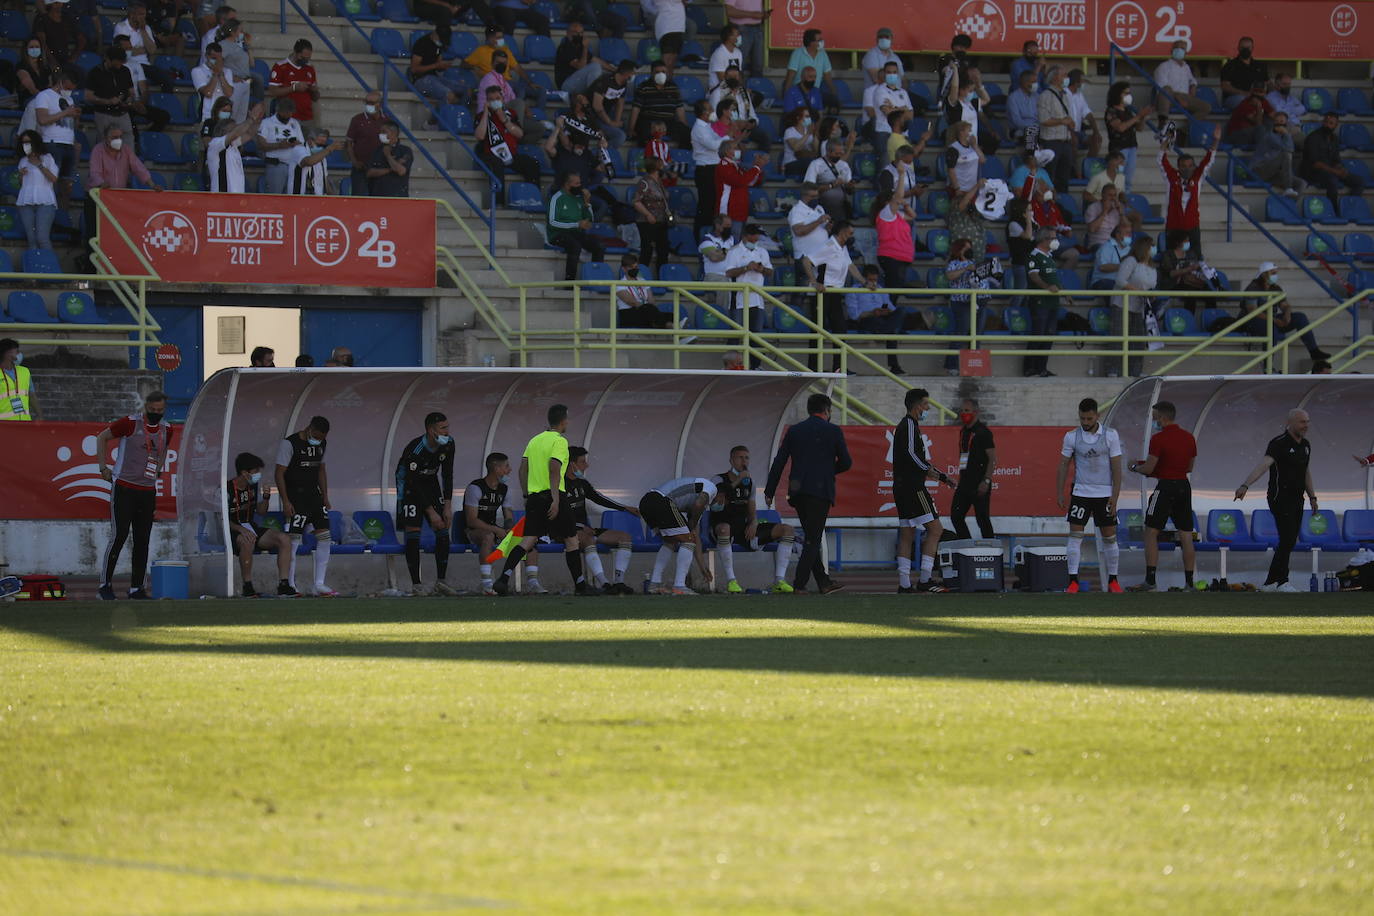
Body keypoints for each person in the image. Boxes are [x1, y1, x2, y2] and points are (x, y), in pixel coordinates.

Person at [492, 404, 593, 596]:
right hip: (555, 496)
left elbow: (523, 469)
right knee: (572, 541)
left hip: (535, 497)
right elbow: (554, 469)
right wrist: (555, 500)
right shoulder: (560, 441)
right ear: (564, 421)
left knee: (528, 540)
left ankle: (503, 579)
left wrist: (525, 496)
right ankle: (580, 586)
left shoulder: (534, 440)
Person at [764, 393, 850, 594]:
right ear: (827, 410)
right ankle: (800, 584)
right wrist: (827, 472)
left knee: (811, 535)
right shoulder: (833, 430)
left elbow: (780, 461)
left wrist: (770, 490)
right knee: (813, 538)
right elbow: (846, 462)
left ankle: (823, 581)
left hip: (798, 492)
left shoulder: (795, 431)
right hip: (820, 491)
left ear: (809, 410)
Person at [96, 391, 172, 601]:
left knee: (142, 540)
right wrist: (103, 468)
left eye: (160, 410)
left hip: (147, 491)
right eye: (153, 410)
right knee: (119, 536)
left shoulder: (167, 428)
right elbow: (102, 437)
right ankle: (105, 585)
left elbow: (163, 449)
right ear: (146, 407)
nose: (156, 413)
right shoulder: (130, 423)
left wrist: (157, 468)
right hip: (124, 488)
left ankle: (136, 588)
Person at [1234, 408, 1318, 591]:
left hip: (1298, 498)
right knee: (1287, 538)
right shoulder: (1278, 443)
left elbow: (1306, 472)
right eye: (1302, 422)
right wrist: (1245, 485)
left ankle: (1272, 581)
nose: (1306, 426)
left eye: (1307, 422)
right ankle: (1281, 581)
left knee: (1290, 540)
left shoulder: (1306, 445)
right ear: (1291, 423)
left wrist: (1312, 496)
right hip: (1279, 497)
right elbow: (1263, 465)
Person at [1126, 400, 1198, 591]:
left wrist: (1134, 467)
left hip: (1165, 488)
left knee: (1151, 531)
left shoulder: (1158, 439)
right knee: (1186, 534)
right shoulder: (1189, 438)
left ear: (1163, 418)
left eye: (1156, 418)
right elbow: (1189, 467)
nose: (1155, 422)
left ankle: (1150, 580)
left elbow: (1149, 467)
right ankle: (1189, 583)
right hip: (1184, 486)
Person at [1056, 397, 1124, 594]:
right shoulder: (1071, 437)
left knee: (1109, 538)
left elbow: (1117, 468)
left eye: (1088, 418)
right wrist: (1060, 492)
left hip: (1104, 494)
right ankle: (1073, 582)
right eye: (1082, 418)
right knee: (1075, 536)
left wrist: (1115, 495)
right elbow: (1063, 465)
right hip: (1081, 493)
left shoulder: (1111, 435)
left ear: (1097, 416)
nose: (1085, 422)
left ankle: (1113, 581)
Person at [709, 445, 796, 593]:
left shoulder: (750, 482)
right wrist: (738, 480)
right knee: (725, 528)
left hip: (744, 528)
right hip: (722, 525)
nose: (744, 461)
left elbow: (751, 505)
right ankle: (732, 581)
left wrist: (754, 522)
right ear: (731, 460)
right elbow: (718, 501)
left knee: (787, 530)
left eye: (747, 458)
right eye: (740, 457)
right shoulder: (718, 479)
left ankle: (779, 581)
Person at [892, 388, 953, 593]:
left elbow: (914, 458)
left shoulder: (908, 426)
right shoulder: (909, 425)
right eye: (926, 404)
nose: (928, 408)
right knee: (936, 529)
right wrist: (935, 473)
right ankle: (925, 579)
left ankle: (904, 583)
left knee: (907, 534)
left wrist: (939, 475)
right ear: (918, 406)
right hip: (913, 487)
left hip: (901, 487)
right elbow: (912, 455)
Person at [394, 412, 458, 596]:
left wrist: (447, 505)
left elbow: (447, 474)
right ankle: (416, 584)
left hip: (431, 483)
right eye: (443, 428)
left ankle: (441, 581)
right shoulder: (415, 450)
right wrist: (431, 512)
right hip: (409, 486)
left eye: (448, 427)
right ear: (431, 430)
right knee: (413, 531)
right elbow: (412, 482)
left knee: (443, 528)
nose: (447, 431)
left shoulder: (449, 444)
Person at [274, 415, 336, 597]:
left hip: (314, 497)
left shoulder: (322, 444)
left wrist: (325, 495)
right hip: (295, 497)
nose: (318, 441)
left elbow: (321, 470)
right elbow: (279, 473)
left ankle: (319, 584)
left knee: (325, 536)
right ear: (309, 429)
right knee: (293, 540)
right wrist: (285, 500)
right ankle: (290, 584)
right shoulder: (289, 444)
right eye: (316, 436)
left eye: (322, 438)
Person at [562, 446, 638, 594]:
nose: (586, 466)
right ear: (572, 464)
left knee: (625, 538)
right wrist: (579, 525)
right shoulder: (560, 485)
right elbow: (560, 513)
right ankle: (605, 584)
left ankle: (619, 582)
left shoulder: (582, 483)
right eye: (583, 462)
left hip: (585, 530)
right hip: (566, 530)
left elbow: (599, 498)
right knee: (588, 539)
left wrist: (624, 507)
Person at [803, 219, 868, 372]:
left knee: (840, 330)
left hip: (836, 293)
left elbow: (851, 266)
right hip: (823, 293)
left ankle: (838, 367)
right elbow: (806, 261)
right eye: (850, 233)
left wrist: (864, 282)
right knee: (817, 331)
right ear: (842, 232)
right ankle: (812, 368)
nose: (852, 236)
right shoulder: (828, 246)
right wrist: (814, 282)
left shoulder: (842, 247)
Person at [226, 452, 294, 598]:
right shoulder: (226, 489)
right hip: (231, 529)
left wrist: (266, 497)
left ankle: (284, 585)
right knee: (247, 540)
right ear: (244, 473)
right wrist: (240, 529)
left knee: (284, 539)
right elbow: (222, 519)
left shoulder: (253, 486)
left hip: (250, 527)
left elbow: (261, 512)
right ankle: (247, 586)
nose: (258, 475)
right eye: (256, 471)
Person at [639, 476, 716, 594]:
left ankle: (654, 583)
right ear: (722, 496)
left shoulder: (693, 505)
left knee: (671, 541)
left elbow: (696, 536)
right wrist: (691, 529)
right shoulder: (712, 488)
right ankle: (679, 585)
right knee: (688, 540)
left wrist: (702, 566)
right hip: (662, 501)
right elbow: (699, 504)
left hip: (646, 503)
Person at [1242, 262, 1330, 361]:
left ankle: (1314, 351)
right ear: (1263, 274)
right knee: (1272, 330)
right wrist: (1275, 320)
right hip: (1253, 322)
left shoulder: (1276, 288)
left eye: (1276, 273)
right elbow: (1252, 310)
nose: (1275, 276)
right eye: (1272, 273)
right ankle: (1268, 366)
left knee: (1300, 317)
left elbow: (1285, 305)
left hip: (1271, 319)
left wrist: (1287, 314)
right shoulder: (1253, 288)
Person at [1159, 126, 1218, 258]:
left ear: (1194, 166)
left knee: (1196, 260)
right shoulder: (1171, 177)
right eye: (1183, 166)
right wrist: (1167, 140)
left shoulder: (1198, 178)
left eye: (1190, 166)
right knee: (1172, 261)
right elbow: (1161, 160)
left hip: (1192, 228)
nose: (1187, 169)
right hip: (1174, 227)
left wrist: (1215, 141)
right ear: (1178, 167)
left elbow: (1209, 160)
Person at [464, 451, 515, 595]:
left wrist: (510, 529)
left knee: (527, 541)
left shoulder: (504, 489)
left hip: (493, 529)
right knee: (488, 537)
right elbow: (471, 520)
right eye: (506, 466)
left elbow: (508, 516)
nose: (509, 470)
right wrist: (495, 530)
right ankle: (487, 584)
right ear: (496, 468)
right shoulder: (475, 488)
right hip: (473, 531)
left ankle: (532, 582)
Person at [33, 68, 81, 210]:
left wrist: (75, 116)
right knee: (50, 184)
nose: (69, 91)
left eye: (72, 89)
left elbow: (71, 125)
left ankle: (63, 217)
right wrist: (65, 112)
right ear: (61, 82)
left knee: (67, 186)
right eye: (67, 87)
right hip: (52, 144)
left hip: (68, 144)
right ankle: (49, 216)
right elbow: (42, 120)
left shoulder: (69, 99)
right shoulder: (44, 96)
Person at [475, 84, 540, 186]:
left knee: (531, 163)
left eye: (497, 98)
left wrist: (504, 120)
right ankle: (498, 201)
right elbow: (479, 136)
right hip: (491, 154)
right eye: (491, 99)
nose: (494, 101)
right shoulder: (480, 116)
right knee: (496, 163)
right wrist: (486, 113)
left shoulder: (511, 113)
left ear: (502, 99)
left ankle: (532, 196)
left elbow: (519, 134)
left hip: (510, 154)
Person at [845, 262, 904, 374]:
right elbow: (854, 315)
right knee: (890, 331)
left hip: (882, 318)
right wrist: (871, 312)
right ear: (864, 278)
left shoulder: (880, 288)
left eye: (875, 280)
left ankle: (881, 332)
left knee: (900, 312)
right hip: (866, 319)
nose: (873, 283)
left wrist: (884, 310)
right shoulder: (853, 290)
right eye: (871, 280)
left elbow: (889, 306)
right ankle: (894, 366)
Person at [949, 398, 996, 540]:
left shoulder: (983, 432)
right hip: (965, 483)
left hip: (980, 483)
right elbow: (964, 455)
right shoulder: (963, 431)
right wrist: (961, 477)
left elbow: (992, 459)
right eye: (962, 411)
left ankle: (991, 551)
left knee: (982, 519)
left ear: (976, 412)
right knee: (956, 516)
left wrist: (986, 481)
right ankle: (967, 546)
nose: (963, 414)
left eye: (967, 411)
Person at [1302, 110, 1366, 210]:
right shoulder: (1313, 137)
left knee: (1359, 181)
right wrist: (1335, 171)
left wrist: (1341, 169)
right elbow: (1315, 163)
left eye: (1331, 123)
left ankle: (1350, 208)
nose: (1327, 125)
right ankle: (1333, 210)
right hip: (1313, 172)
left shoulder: (1334, 139)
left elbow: (1336, 159)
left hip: (1330, 171)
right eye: (1325, 122)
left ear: (1336, 125)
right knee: (1332, 181)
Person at [1113, 234, 1156, 378]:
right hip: (1121, 304)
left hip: (1140, 308)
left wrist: (1151, 295)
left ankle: (1135, 372)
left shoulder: (1152, 267)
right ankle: (1114, 371)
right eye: (1152, 246)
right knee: (1119, 339)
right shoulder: (1131, 261)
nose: (1154, 249)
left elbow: (1151, 287)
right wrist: (1139, 292)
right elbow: (1120, 280)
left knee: (1138, 340)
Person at [945, 119, 987, 263]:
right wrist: (956, 187)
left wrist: (975, 146)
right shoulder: (954, 148)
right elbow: (951, 169)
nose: (970, 133)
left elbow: (982, 160)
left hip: (973, 191)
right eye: (968, 130)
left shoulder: (972, 148)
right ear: (961, 132)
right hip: (961, 190)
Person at [548, 170, 602, 281]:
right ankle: (570, 283)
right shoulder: (557, 198)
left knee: (599, 246)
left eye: (580, 183)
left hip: (576, 233)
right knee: (575, 246)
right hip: (558, 234)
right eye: (576, 184)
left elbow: (590, 218)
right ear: (567, 184)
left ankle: (596, 279)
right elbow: (552, 222)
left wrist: (587, 203)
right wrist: (576, 224)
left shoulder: (578, 198)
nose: (580, 186)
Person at [1024, 228, 1062, 378]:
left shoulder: (1050, 256)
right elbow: (1034, 276)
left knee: (1049, 335)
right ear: (1043, 240)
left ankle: (1042, 368)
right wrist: (1047, 287)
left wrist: (1065, 294)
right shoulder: (1034, 256)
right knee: (1038, 335)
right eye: (1053, 237)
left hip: (1053, 302)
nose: (1055, 240)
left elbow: (1054, 279)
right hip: (1040, 302)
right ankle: (1029, 368)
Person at [722, 222, 772, 331]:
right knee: (736, 334)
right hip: (739, 298)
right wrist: (746, 268)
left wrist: (761, 269)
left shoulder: (762, 252)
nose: (756, 239)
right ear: (746, 236)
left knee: (755, 334)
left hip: (757, 298)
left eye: (758, 236)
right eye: (754, 236)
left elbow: (770, 271)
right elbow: (729, 273)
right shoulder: (734, 252)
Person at [1103, 81, 1152, 192]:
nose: (1128, 96)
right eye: (1125, 93)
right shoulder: (1111, 111)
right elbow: (1120, 127)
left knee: (1128, 180)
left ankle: (1125, 202)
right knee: (1117, 179)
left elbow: (1139, 128)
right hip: (1119, 149)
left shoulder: (1128, 111)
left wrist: (1143, 117)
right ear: (1117, 94)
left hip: (1132, 147)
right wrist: (1138, 116)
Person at [873, 183, 917, 301]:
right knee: (892, 291)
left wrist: (906, 205)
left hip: (900, 258)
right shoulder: (885, 213)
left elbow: (912, 216)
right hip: (891, 257)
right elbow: (898, 197)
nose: (897, 202)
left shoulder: (897, 215)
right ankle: (885, 311)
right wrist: (901, 174)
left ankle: (887, 311)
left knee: (894, 292)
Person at [16, 130, 58, 252]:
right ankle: (34, 268)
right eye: (24, 142)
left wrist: (39, 165)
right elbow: (22, 183)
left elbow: (54, 179)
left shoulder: (47, 158)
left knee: (42, 238)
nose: (26, 145)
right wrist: (20, 175)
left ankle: (49, 268)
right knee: (32, 240)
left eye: (28, 142)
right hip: (25, 201)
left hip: (45, 201)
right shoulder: (23, 160)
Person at [206, 102, 263, 193]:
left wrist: (258, 119)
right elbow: (235, 134)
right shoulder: (215, 144)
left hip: (236, 195)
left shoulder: (234, 145)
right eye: (233, 129)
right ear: (224, 130)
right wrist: (251, 119)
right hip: (222, 195)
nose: (238, 132)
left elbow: (250, 133)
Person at [629, 60, 688, 146]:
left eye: (663, 72)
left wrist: (684, 126)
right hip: (649, 122)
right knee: (644, 132)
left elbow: (680, 110)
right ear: (652, 73)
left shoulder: (673, 88)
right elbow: (636, 109)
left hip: (668, 123)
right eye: (657, 72)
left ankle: (683, 157)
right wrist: (631, 129)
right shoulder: (643, 87)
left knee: (687, 134)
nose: (661, 74)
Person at [1036, 65, 1075, 193]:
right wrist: (1062, 121)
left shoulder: (1066, 95)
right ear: (1054, 78)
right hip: (1051, 142)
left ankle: (1062, 205)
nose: (1066, 78)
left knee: (1064, 178)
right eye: (1063, 75)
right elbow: (1043, 119)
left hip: (1065, 141)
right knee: (1050, 177)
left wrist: (1069, 124)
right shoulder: (1046, 96)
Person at [714, 139, 765, 237]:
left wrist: (757, 168)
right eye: (735, 148)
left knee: (736, 243)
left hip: (739, 211)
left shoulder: (735, 166)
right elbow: (739, 181)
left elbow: (750, 182)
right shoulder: (723, 166)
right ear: (726, 151)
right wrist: (756, 167)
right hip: (729, 211)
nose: (738, 150)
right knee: (728, 242)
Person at [788, 181, 831, 297]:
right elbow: (799, 231)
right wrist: (818, 221)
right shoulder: (797, 211)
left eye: (817, 196)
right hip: (805, 256)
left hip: (820, 257)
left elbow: (821, 230)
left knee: (819, 294)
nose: (815, 198)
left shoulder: (819, 208)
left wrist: (827, 226)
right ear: (805, 196)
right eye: (813, 196)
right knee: (800, 293)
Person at [1152, 39, 1211, 122]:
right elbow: (1162, 88)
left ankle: (1187, 129)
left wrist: (1193, 85)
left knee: (1206, 107)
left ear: (1185, 52)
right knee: (1167, 89)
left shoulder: (1186, 67)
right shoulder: (1163, 66)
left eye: (1182, 48)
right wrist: (1178, 97)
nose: (1179, 50)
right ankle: (1162, 121)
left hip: (1185, 97)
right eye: (1177, 48)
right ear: (1172, 51)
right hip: (1169, 98)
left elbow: (1192, 80)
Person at [85, 45, 137, 139]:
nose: (119, 66)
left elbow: (131, 91)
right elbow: (88, 96)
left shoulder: (125, 71)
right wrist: (107, 101)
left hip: (123, 114)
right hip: (104, 114)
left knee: (128, 142)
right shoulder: (95, 73)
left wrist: (129, 100)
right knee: (105, 144)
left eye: (120, 64)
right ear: (107, 59)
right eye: (116, 64)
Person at [258, 96, 304, 194]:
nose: (288, 115)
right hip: (276, 165)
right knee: (275, 196)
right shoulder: (267, 123)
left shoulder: (295, 123)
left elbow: (301, 143)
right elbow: (261, 145)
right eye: (286, 112)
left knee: (291, 197)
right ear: (278, 110)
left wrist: (294, 144)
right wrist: (279, 145)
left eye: (290, 112)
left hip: (293, 165)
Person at [1251, 110, 1304, 195]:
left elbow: (1291, 149)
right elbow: (1288, 150)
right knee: (1286, 154)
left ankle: (1290, 205)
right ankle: (1288, 187)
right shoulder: (1269, 136)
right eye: (1276, 121)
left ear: (1286, 124)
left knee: (1301, 183)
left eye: (1282, 122)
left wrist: (1286, 134)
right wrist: (1287, 134)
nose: (1279, 124)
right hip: (1259, 170)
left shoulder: (1284, 137)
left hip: (1273, 174)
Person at [860, 61, 910, 151]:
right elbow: (880, 112)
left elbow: (910, 115)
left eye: (894, 73)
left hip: (901, 132)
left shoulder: (902, 92)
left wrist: (893, 108)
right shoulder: (875, 91)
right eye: (888, 74)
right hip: (882, 130)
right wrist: (902, 109)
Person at [783, 29, 837, 111]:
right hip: (799, 91)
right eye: (819, 40)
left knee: (833, 103)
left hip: (816, 92)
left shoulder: (823, 54)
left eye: (821, 40)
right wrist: (786, 95)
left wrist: (834, 93)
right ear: (810, 42)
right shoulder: (797, 53)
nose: (821, 42)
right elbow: (790, 76)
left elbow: (827, 77)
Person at [613, 252, 672, 329]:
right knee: (650, 311)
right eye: (631, 267)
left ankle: (666, 325)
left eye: (636, 266)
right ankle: (673, 327)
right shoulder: (619, 284)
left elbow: (651, 300)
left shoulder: (642, 280)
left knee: (671, 315)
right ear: (624, 269)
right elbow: (633, 302)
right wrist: (647, 307)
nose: (634, 269)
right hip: (629, 313)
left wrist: (649, 307)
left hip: (646, 311)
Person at [268, 38, 319, 125]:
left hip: (307, 117)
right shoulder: (280, 66)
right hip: (288, 118)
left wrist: (314, 90)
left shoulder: (310, 68)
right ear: (295, 52)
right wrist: (294, 88)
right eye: (303, 58)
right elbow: (272, 91)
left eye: (308, 58)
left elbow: (316, 97)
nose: (305, 61)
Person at [633, 156, 670, 272]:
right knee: (647, 250)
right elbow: (636, 201)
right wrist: (648, 214)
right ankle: (642, 276)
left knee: (663, 250)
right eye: (661, 165)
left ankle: (661, 277)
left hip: (661, 221)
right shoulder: (645, 182)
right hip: (647, 222)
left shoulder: (659, 182)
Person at [345, 91, 385, 196]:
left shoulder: (387, 121)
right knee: (359, 200)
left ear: (380, 104)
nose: (369, 105)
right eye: (367, 102)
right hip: (361, 167)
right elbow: (349, 143)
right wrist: (354, 162)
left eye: (372, 102)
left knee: (379, 200)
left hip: (380, 168)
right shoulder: (357, 120)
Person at [803, 139, 855, 221]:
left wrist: (850, 186)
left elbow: (850, 192)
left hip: (840, 209)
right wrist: (831, 185)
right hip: (822, 208)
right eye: (836, 153)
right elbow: (808, 188)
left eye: (841, 153)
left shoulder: (844, 165)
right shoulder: (816, 164)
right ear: (828, 152)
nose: (839, 156)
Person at [589, 59, 634, 149]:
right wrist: (610, 123)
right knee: (620, 136)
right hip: (593, 117)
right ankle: (602, 152)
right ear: (626, 74)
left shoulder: (623, 84)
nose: (633, 75)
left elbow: (620, 103)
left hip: (606, 115)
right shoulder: (604, 81)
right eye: (632, 73)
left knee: (626, 126)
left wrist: (616, 121)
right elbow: (597, 107)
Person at [286, 125, 340, 195]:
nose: (321, 148)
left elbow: (325, 180)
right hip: (299, 197)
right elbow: (309, 161)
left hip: (317, 198)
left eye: (323, 145)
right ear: (310, 140)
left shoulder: (322, 156)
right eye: (319, 145)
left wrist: (333, 197)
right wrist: (328, 149)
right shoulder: (299, 149)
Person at [1219, 36, 1268, 110]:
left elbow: (1267, 83)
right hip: (1235, 98)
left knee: (1271, 101)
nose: (1245, 50)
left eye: (1248, 48)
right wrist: (1244, 93)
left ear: (1252, 48)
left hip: (1258, 97)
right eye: (1242, 47)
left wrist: (1266, 92)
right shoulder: (1229, 65)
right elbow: (1225, 86)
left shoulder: (1260, 65)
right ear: (1238, 48)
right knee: (1245, 101)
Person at [366, 120, 412, 197]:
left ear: (394, 133)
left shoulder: (405, 151)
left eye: (384, 132)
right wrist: (390, 169)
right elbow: (369, 173)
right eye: (380, 132)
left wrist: (388, 155)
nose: (381, 134)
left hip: (397, 196)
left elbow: (401, 171)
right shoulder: (376, 150)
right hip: (376, 195)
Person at [1224, 82, 1273, 148]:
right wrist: (1259, 107)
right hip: (1237, 135)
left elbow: (1274, 116)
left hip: (1251, 133)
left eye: (1260, 91)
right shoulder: (1245, 104)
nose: (1257, 94)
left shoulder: (1264, 101)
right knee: (1260, 129)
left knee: (1270, 122)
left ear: (1265, 93)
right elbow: (1258, 123)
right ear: (1251, 92)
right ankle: (1262, 154)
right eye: (1255, 91)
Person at [0, 338, 39, 421]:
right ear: (7, 353)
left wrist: (40, 415)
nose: (19, 354)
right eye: (17, 351)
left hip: (24, 423)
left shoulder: (25, 371)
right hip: (4, 425)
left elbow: (32, 396)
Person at [1065, 69, 1100, 159]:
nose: (1084, 83)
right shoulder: (1064, 93)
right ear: (1076, 82)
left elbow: (1088, 114)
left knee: (1097, 139)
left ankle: (1087, 165)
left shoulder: (1079, 95)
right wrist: (1071, 133)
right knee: (1074, 141)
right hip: (1066, 131)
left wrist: (1096, 131)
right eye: (1083, 80)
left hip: (1079, 132)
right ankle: (1075, 169)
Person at [1090, 220, 1133, 290]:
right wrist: (1123, 266)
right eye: (1127, 233)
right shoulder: (1106, 247)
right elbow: (1102, 267)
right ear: (1117, 234)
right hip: (1103, 282)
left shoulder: (1129, 249)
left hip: (1121, 283)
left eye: (1131, 233)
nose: (1130, 235)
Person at [1266, 72, 1306, 148]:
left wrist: (1287, 109)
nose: (1287, 86)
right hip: (1283, 127)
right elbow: (1280, 113)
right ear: (1277, 85)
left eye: (1289, 84)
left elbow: (1303, 109)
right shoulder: (1271, 98)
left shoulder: (1291, 98)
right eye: (1284, 84)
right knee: (1307, 142)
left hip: (1296, 127)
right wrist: (1293, 110)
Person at [1083, 183, 1127, 250]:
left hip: (1115, 243)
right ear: (1103, 195)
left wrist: (1121, 213)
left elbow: (1126, 229)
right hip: (1098, 243)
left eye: (1115, 195)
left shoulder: (1118, 208)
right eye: (1110, 195)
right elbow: (1092, 229)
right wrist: (1104, 211)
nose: (1113, 198)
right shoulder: (1092, 208)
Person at [780, 107, 819, 180]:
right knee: (811, 163)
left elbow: (817, 150)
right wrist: (807, 134)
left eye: (810, 117)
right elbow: (795, 147)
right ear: (798, 118)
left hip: (807, 161)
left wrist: (814, 134)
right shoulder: (790, 131)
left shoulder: (810, 131)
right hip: (791, 163)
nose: (809, 119)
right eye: (807, 116)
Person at [1007, 69, 1039, 146]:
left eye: (1036, 82)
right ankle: (1031, 156)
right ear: (1025, 83)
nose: (1036, 84)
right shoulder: (1013, 97)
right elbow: (1017, 121)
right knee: (1031, 132)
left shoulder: (1037, 96)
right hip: (1019, 129)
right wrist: (1032, 126)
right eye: (1033, 82)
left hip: (1038, 128)